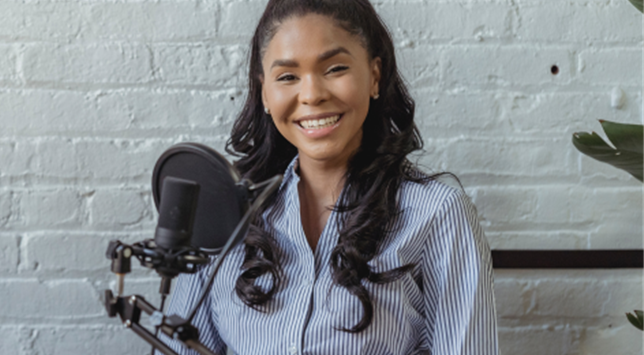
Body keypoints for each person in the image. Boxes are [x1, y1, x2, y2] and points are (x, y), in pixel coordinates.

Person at [160, 0, 499, 354]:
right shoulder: (223, 211)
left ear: (375, 76)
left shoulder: (437, 214)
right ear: (265, 92)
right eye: (288, 76)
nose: (312, 95)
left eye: (335, 68)